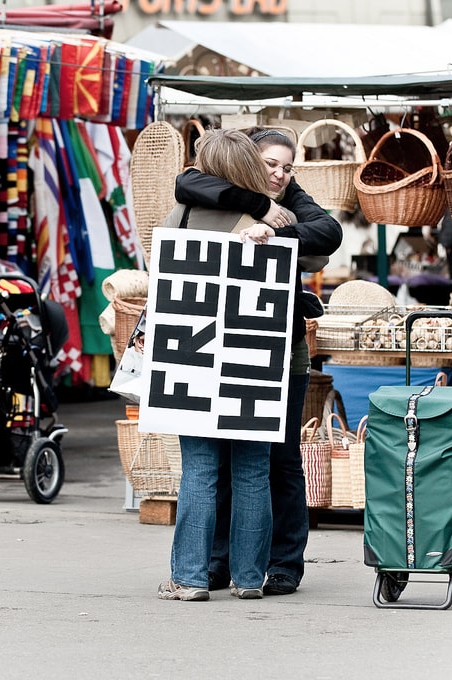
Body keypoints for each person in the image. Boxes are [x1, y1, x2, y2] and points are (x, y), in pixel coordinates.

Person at [175, 126, 342, 596]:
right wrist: (257, 205)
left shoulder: (291, 201)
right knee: (236, 466)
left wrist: (275, 225)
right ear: (247, 160)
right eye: (270, 164)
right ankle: (226, 566)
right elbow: (186, 183)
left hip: (279, 352)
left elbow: (328, 232)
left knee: (277, 460)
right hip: (219, 351)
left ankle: (281, 564)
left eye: (287, 167)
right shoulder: (210, 194)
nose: (279, 174)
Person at [157, 128, 294, 602]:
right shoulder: (276, 216)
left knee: (199, 469)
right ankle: (250, 578)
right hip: (255, 355)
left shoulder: (188, 211)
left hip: (191, 353)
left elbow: (160, 267)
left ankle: (190, 578)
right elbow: (314, 252)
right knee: (254, 470)